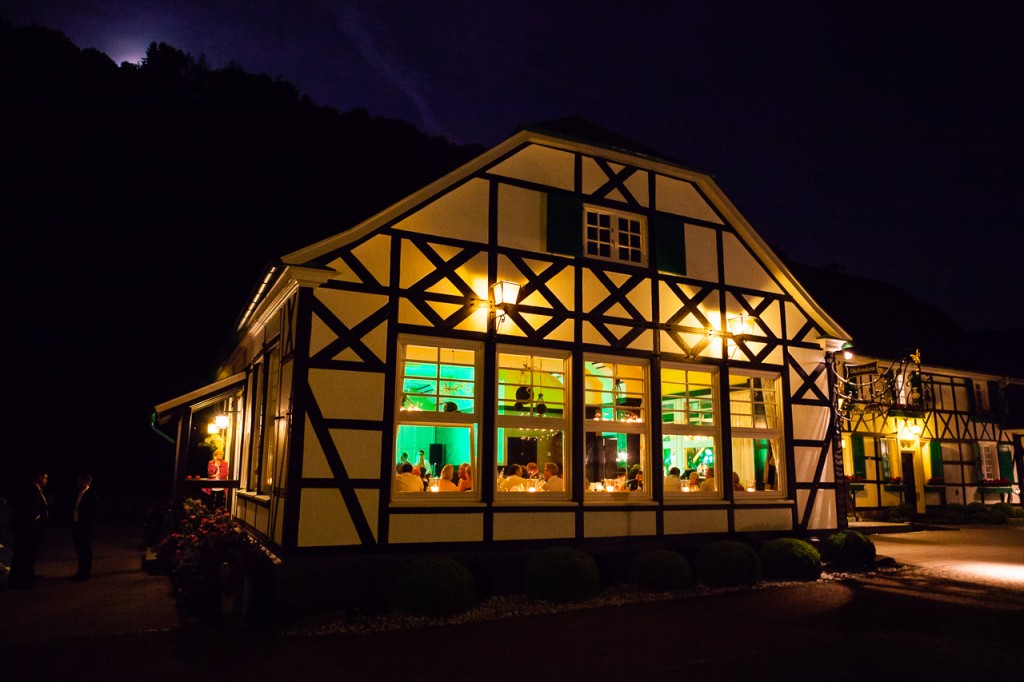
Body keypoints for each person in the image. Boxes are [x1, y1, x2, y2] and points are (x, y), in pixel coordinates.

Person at [9, 470, 49, 588]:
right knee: (22, 553)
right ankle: (17, 580)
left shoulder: (36, 489)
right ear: (39, 478)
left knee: (29, 552)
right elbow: (28, 509)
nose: (46, 480)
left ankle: (28, 574)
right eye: (45, 477)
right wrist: (35, 519)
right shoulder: (31, 490)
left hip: (30, 528)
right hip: (26, 528)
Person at [71, 473, 98, 582]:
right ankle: (80, 572)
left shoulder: (91, 495)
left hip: (85, 526)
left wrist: (88, 526)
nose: (78, 483)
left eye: (80, 481)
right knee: (80, 549)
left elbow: (93, 512)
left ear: (86, 482)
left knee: (85, 550)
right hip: (77, 525)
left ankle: (85, 573)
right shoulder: (79, 493)